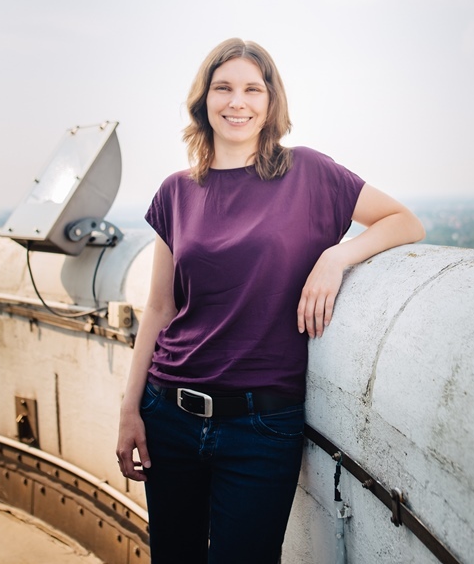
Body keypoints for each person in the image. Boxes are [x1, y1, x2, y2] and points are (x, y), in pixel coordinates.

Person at [115, 38, 425, 563]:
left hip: (261, 425)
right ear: (204, 100)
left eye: (252, 90)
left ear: (270, 102)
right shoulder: (175, 192)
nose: (237, 102)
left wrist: (335, 257)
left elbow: (404, 221)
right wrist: (129, 408)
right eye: (224, 88)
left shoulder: (310, 172)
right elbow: (161, 309)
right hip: (168, 411)